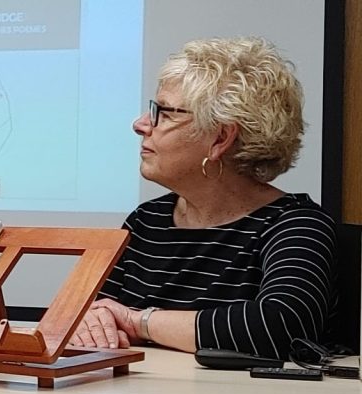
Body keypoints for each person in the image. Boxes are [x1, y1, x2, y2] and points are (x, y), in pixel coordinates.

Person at [71, 38, 336, 360]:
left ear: (220, 138)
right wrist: (86, 319)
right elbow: (88, 313)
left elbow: (281, 327)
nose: (140, 125)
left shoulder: (295, 224)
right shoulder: (146, 221)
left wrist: (138, 321)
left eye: (163, 113)